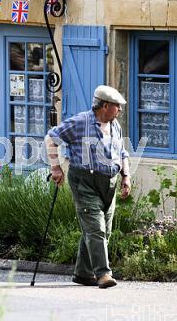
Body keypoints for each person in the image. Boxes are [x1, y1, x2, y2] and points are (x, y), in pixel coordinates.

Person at [45, 85, 131, 289]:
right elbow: (51, 138)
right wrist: (55, 167)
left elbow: (122, 153)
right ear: (105, 105)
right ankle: (103, 274)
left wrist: (126, 176)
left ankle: (83, 274)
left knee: (101, 231)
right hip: (84, 181)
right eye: (117, 106)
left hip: (109, 183)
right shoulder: (80, 122)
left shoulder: (115, 125)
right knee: (96, 229)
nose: (119, 110)